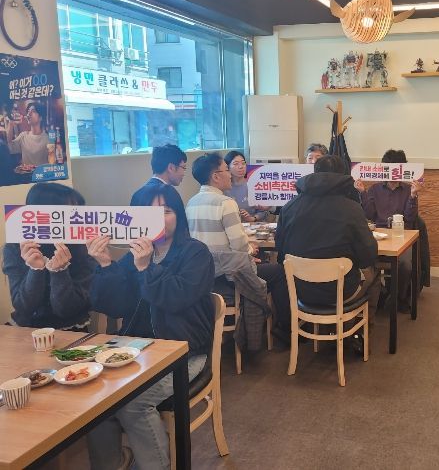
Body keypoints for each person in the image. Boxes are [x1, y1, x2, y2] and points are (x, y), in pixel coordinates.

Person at [86, 183, 214, 470]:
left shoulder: (196, 253)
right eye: (149, 212)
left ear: (178, 215)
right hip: (137, 352)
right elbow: (115, 306)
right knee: (95, 400)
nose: (159, 219)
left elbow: (176, 298)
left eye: (166, 211)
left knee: (134, 405)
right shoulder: (134, 256)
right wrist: (105, 265)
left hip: (185, 352)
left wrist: (147, 269)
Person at [276, 154, 379, 349]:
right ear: (344, 177)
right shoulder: (352, 209)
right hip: (341, 291)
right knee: (374, 273)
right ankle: (358, 334)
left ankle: (324, 329)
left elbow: (280, 250)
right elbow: (368, 255)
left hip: (300, 289)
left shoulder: (290, 206)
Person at [185, 153, 290, 341]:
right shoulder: (226, 203)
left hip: (204, 275)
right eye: (227, 170)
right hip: (229, 275)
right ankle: (284, 329)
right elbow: (239, 246)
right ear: (216, 176)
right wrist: (251, 249)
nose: (230, 174)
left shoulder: (191, 203)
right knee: (279, 272)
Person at [2, 183, 93, 330]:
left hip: (72, 329)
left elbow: (66, 310)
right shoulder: (16, 247)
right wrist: (35, 269)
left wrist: (60, 272)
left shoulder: (84, 247)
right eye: (70, 213)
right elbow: (24, 308)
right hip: (26, 329)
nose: (77, 219)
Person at [356, 149, 423, 313]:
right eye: (388, 168)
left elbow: (409, 217)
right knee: (363, 259)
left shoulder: (408, 190)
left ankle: (399, 298)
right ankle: (378, 295)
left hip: (402, 236)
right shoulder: (374, 189)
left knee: (405, 265)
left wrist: (413, 196)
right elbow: (369, 215)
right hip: (378, 236)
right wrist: (363, 193)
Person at [223, 150, 270, 222]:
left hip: (253, 225)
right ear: (227, 167)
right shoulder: (224, 188)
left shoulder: (255, 185)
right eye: (236, 164)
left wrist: (252, 218)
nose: (241, 166)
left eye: (243, 163)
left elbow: (264, 211)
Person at [6, 101, 49, 166]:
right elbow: (10, 148)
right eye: (28, 111)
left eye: (33, 111)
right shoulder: (23, 136)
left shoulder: (47, 138)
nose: (29, 113)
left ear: (41, 117)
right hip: (25, 172)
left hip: (42, 172)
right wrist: (11, 124)